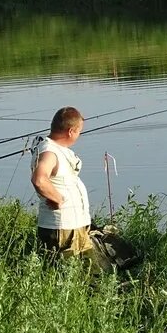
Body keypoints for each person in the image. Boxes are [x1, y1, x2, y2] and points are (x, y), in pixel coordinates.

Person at [30, 106, 110, 271]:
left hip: (74, 225)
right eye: (79, 131)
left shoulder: (57, 150)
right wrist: (57, 198)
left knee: (89, 274)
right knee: (67, 275)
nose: (79, 135)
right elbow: (39, 179)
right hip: (62, 228)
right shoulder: (49, 152)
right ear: (71, 131)